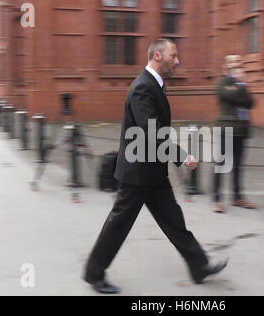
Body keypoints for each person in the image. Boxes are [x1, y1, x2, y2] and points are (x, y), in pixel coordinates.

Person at [84, 39, 228, 294]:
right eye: (174, 55)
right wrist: (181, 155)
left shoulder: (155, 85)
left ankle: (199, 266)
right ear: (158, 56)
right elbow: (151, 131)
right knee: (119, 224)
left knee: (174, 220)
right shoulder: (143, 87)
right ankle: (94, 273)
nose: (178, 60)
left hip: (153, 172)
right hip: (137, 172)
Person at [213, 55, 256, 213]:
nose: (235, 64)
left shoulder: (241, 84)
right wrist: (242, 87)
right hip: (227, 128)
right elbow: (232, 96)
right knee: (221, 165)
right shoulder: (222, 82)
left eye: (238, 61)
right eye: (232, 62)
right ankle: (217, 200)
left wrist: (241, 87)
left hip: (241, 129)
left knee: (238, 166)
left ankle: (237, 197)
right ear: (226, 66)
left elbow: (251, 103)